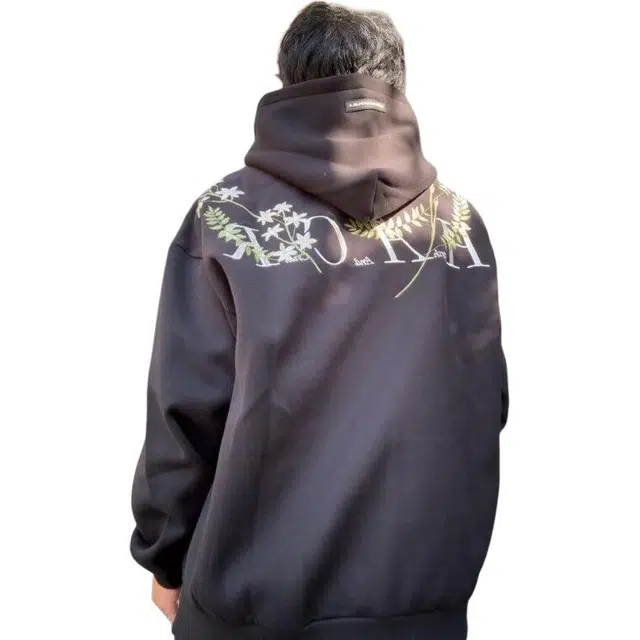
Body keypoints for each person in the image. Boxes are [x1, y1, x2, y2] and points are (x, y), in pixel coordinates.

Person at [130, 2, 509, 638]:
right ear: (396, 85)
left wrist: (164, 554)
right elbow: (484, 401)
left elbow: (187, 407)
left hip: (252, 610)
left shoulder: (226, 215)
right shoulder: (458, 224)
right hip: (420, 608)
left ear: (288, 83)